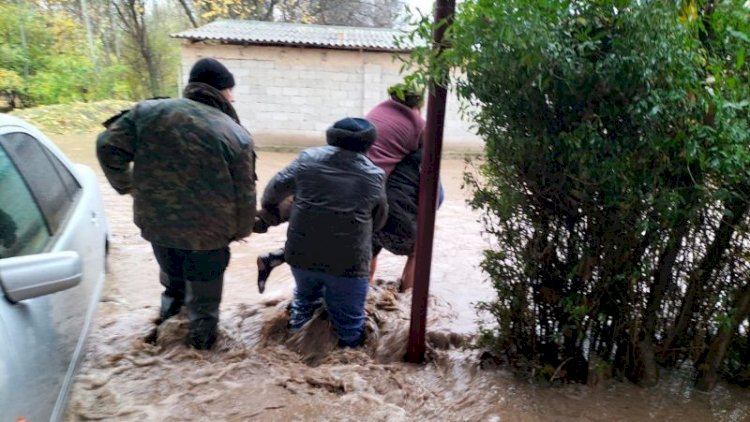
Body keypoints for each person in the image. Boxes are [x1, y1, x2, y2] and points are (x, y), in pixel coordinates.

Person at [96, 58, 256, 349]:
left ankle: (164, 340)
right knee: (205, 303)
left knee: (173, 285)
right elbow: (245, 194)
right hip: (209, 237)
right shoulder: (235, 134)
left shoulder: (147, 112)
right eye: (232, 91)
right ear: (222, 91)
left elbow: (107, 147)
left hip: (159, 227)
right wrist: (241, 231)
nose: (233, 98)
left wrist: (129, 187)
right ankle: (200, 355)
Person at [254, 81, 443, 292]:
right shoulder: (419, 126)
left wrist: (269, 206)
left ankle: (266, 223)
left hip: (334, 183)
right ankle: (404, 300)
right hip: (366, 189)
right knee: (415, 249)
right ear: (419, 105)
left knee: (320, 226)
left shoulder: (376, 111)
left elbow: (278, 185)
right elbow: (429, 174)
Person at [261, 117, 387, 347]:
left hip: (301, 254)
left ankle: (294, 352)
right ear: (369, 145)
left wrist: (271, 213)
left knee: (303, 305)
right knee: (349, 326)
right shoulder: (374, 175)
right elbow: (379, 218)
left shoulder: (306, 159)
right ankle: (347, 371)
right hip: (348, 262)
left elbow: (273, 190)